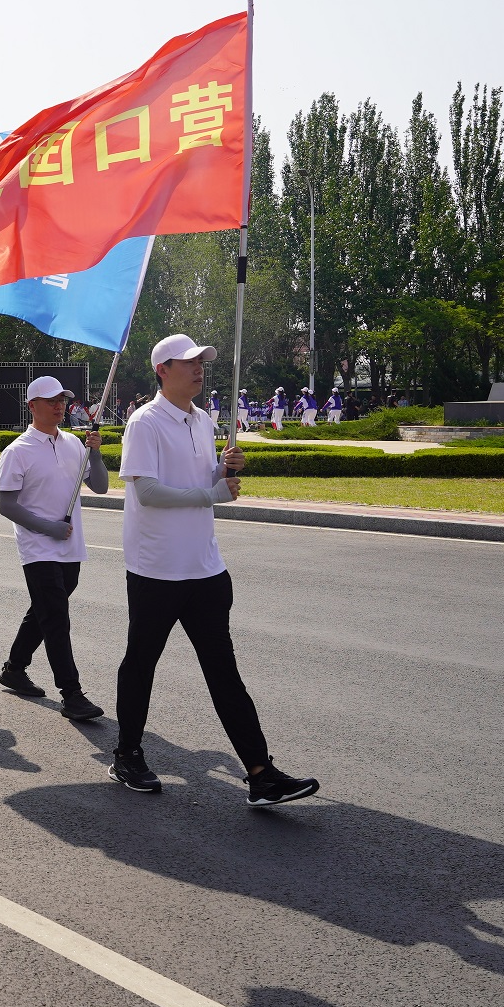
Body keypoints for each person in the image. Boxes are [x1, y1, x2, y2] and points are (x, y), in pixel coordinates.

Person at [110, 334, 319, 806]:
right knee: (141, 664)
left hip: (204, 567)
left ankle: (261, 773)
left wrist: (222, 471)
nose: (199, 368)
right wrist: (212, 493)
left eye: (202, 361)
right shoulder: (144, 422)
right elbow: (147, 492)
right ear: (162, 370)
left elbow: (198, 484)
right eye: (189, 362)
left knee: (224, 671)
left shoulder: (203, 421)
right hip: (157, 569)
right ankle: (127, 754)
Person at [0, 376, 107, 721]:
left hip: (70, 545)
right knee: (56, 618)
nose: (59, 406)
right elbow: (7, 506)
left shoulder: (74, 444)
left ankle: (14, 668)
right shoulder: (17, 451)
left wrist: (96, 453)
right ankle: (71, 694)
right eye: (51, 401)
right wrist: (48, 528)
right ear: (32, 406)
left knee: (45, 611)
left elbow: (101, 486)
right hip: (38, 547)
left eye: (62, 400)